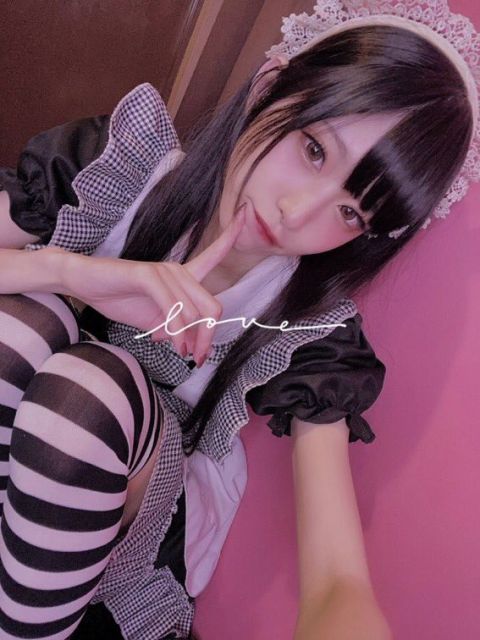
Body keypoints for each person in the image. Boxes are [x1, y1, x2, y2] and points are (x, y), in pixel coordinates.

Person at [0, 1, 478, 638]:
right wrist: (72, 273)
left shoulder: (304, 330)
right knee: (25, 322)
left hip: (129, 524)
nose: (296, 213)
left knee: (90, 385)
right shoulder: (119, 166)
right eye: (313, 149)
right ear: (268, 86)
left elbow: (338, 578)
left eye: (350, 213)